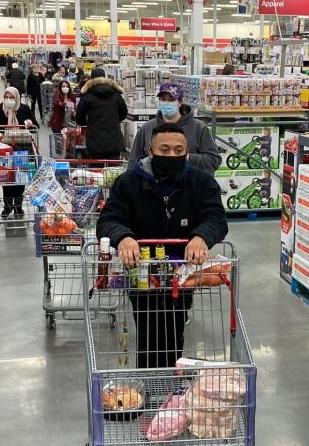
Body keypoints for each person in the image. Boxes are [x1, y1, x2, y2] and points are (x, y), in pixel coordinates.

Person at [97, 122, 228, 369]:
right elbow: (109, 220)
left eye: (179, 151)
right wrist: (124, 237)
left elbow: (216, 218)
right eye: (164, 150)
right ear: (150, 151)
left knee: (175, 329)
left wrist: (201, 236)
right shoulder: (128, 183)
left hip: (183, 274)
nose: (172, 155)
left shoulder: (201, 183)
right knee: (146, 331)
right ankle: (149, 383)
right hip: (141, 274)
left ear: (187, 152)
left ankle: (169, 384)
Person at [128, 82, 221, 173]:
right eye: (163, 99)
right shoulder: (147, 128)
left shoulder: (199, 128)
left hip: (188, 185)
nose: (167, 103)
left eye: (171, 99)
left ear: (180, 102)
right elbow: (134, 161)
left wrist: (187, 157)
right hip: (154, 186)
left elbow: (214, 160)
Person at [0, 86, 35, 217]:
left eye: (12, 97)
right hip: (3, 151)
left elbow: (35, 125)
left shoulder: (24, 109)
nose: (9, 100)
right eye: (6, 97)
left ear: (17, 98)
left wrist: (30, 123)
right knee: (6, 179)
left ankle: (18, 206)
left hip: (22, 149)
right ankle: (7, 207)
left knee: (20, 178)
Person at [75, 67, 127, 159]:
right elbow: (124, 113)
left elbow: (79, 119)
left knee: (95, 171)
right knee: (114, 171)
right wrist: (114, 120)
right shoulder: (116, 94)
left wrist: (89, 122)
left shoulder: (87, 96)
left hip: (94, 140)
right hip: (114, 139)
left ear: (91, 79)